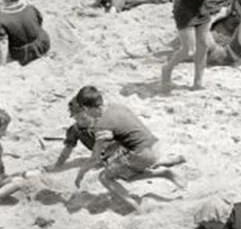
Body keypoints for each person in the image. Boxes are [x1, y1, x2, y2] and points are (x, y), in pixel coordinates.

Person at [54, 87, 185, 213]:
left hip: (141, 154)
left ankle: (137, 207)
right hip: (155, 145)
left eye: (84, 113)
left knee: (104, 177)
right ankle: (164, 173)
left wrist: (81, 173)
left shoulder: (101, 125)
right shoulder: (116, 106)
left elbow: (94, 158)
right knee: (124, 173)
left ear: (87, 108)